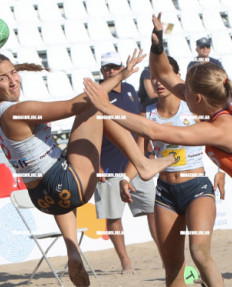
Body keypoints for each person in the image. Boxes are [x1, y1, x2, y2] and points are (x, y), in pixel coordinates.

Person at [83, 14, 232, 287]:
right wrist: (158, 44)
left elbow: (154, 131)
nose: (180, 93)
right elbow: (165, 74)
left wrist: (107, 108)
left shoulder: (220, 128)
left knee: (200, 254)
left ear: (197, 98)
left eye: (186, 92)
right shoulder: (216, 105)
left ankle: (146, 165)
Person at [0, 51, 175, 287]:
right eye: (3, 77)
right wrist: (121, 75)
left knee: (58, 178)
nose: (13, 80)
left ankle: (73, 252)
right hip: (68, 183)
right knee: (97, 107)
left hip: (42, 197)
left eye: (13, 72)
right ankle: (142, 163)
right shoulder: (16, 111)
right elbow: (76, 104)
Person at [120, 55, 225, 286]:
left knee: (199, 253)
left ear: (176, 77)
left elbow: (221, 140)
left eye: (162, 77)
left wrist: (221, 171)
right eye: (153, 78)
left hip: (196, 186)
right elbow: (139, 156)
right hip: (165, 193)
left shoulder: (195, 108)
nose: (158, 82)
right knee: (172, 266)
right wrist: (125, 179)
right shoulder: (147, 115)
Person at [95, 51, 158, 274]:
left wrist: (146, 147)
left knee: (154, 209)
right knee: (113, 216)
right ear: (101, 70)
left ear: (122, 67)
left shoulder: (131, 90)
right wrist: (96, 165)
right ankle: (125, 262)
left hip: (136, 164)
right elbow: (89, 130)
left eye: (114, 66)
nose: (110, 71)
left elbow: (139, 123)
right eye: (106, 68)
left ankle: (164, 251)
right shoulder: (97, 93)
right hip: (108, 165)